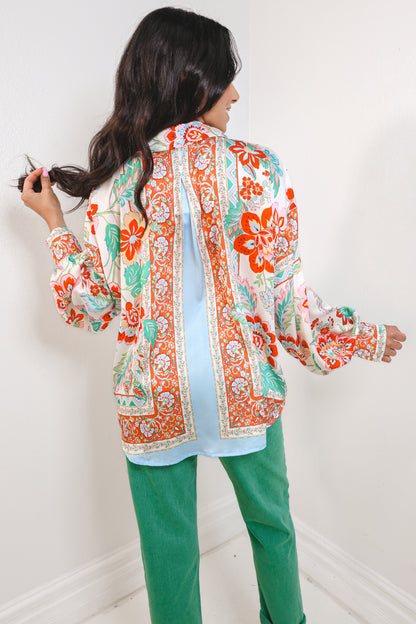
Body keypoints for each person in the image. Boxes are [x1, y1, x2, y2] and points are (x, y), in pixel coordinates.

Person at [19, 7, 406, 624]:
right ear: (192, 80)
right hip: (242, 386)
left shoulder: (115, 184)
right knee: (273, 529)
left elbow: (90, 308)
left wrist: (54, 226)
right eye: (226, 78)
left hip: (152, 395)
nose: (235, 93)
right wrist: (364, 336)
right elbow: (289, 306)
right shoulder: (258, 169)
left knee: (167, 551)